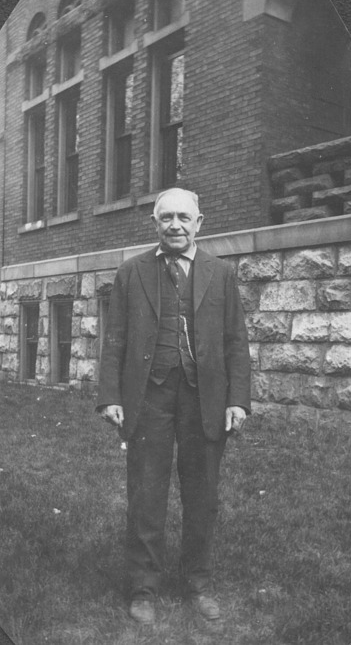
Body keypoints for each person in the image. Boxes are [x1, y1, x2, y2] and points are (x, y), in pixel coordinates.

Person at [97, 188, 250, 625]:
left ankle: (198, 584)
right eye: (167, 218)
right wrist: (110, 395)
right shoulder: (131, 273)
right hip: (150, 396)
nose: (176, 225)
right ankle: (143, 588)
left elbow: (236, 341)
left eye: (185, 217)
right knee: (146, 494)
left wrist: (238, 399)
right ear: (155, 223)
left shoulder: (221, 274)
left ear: (200, 223)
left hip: (206, 398)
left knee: (202, 496)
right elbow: (116, 340)